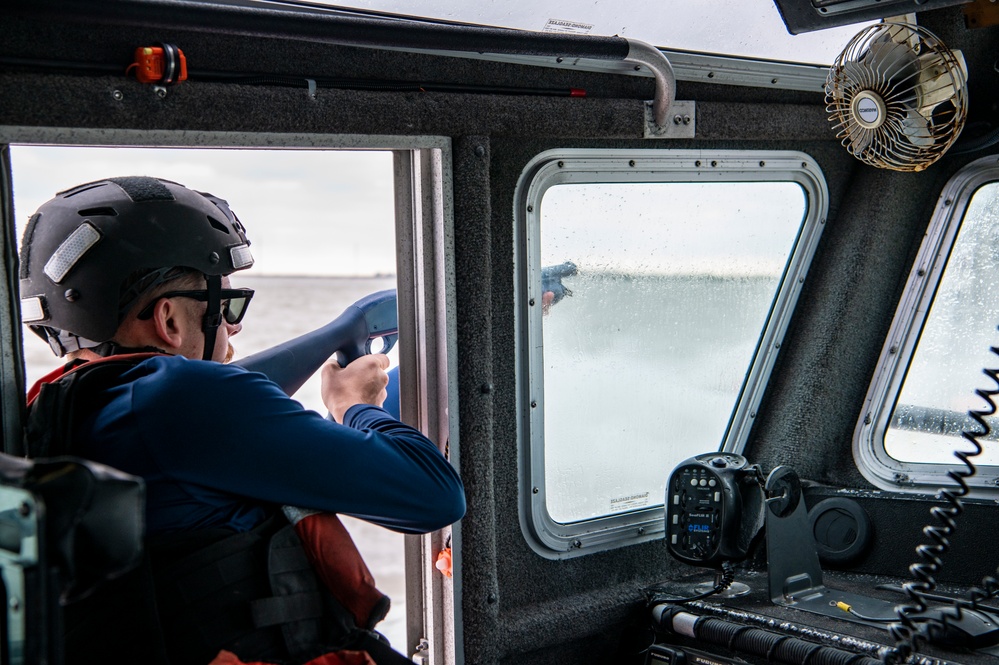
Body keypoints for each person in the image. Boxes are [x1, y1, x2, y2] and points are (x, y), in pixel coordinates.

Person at [19, 176, 465, 665]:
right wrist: (353, 406)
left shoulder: (58, 408)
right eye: (227, 306)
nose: (233, 328)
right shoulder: (188, 398)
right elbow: (434, 496)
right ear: (169, 321)